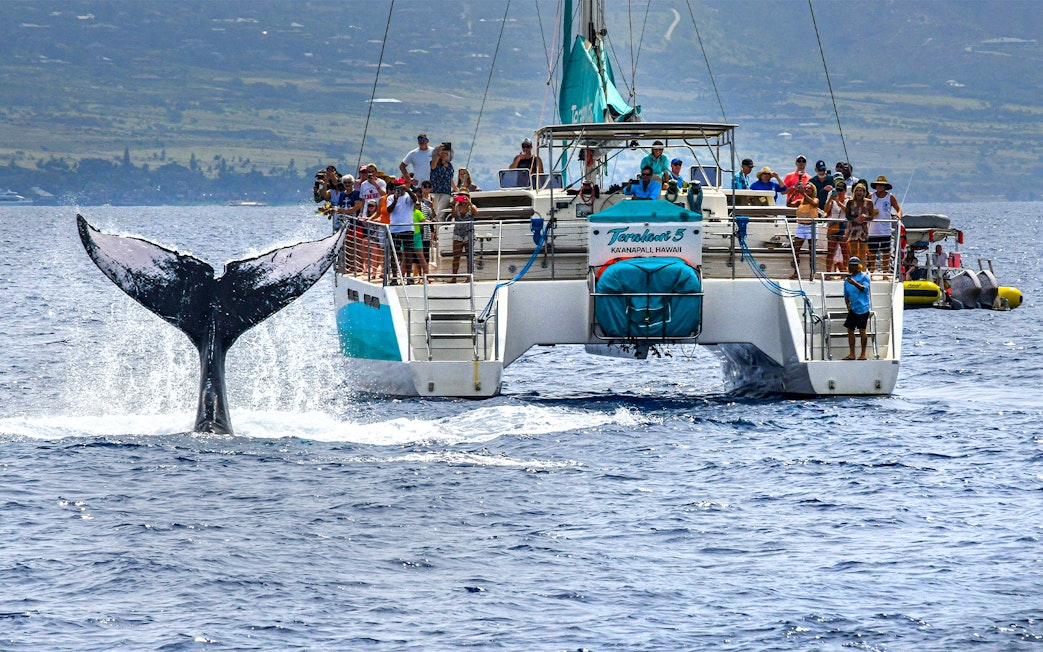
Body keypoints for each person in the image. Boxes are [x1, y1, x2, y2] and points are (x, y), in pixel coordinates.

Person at [385, 179, 418, 282]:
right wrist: (395, 199)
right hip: (394, 229)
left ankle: (408, 276)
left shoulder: (408, 197)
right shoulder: (390, 197)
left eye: (400, 186)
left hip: (407, 228)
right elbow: (389, 210)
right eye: (397, 186)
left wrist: (407, 190)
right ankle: (394, 277)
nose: (399, 188)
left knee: (408, 253)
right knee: (394, 254)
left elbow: (415, 200)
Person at [869, 175, 902, 274]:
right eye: (878, 185)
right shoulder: (871, 196)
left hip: (885, 229)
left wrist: (898, 215)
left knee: (886, 252)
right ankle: (871, 271)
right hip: (873, 229)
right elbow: (865, 208)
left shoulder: (890, 197)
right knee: (872, 252)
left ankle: (885, 272)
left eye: (881, 185)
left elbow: (899, 209)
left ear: (885, 187)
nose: (879, 187)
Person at [843, 256, 872, 360]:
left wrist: (854, 283)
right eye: (851, 265)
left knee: (862, 330)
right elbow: (846, 295)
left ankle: (863, 354)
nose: (853, 268)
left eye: (855, 265)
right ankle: (852, 354)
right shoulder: (847, 280)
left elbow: (865, 289)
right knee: (850, 329)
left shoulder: (864, 277)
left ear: (859, 266)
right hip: (853, 308)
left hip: (863, 307)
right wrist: (848, 306)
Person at [791, 183, 818, 279]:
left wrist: (803, 194)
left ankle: (812, 273)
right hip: (801, 226)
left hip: (811, 226)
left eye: (809, 189)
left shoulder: (815, 199)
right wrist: (794, 194)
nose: (806, 190)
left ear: (813, 191)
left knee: (812, 251)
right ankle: (795, 272)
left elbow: (814, 204)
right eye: (805, 188)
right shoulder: (800, 201)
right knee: (796, 250)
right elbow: (789, 204)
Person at [449, 190, 478, 280]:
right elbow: (453, 215)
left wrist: (469, 203)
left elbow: (476, 213)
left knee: (469, 256)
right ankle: (454, 277)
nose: (462, 197)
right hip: (458, 233)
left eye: (464, 195)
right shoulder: (456, 207)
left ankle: (469, 277)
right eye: (460, 195)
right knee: (456, 256)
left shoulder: (471, 206)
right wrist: (453, 204)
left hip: (468, 232)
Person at [823, 180, 849, 272]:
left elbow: (848, 211)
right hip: (833, 225)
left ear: (845, 191)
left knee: (845, 251)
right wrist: (830, 199)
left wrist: (838, 202)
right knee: (830, 251)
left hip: (843, 225)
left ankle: (845, 272)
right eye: (838, 190)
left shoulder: (848, 200)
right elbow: (826, 210)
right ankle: (828, 273)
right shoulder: (832, 201)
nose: (839, 192)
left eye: (841, 190)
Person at [845, 182, 873, 265]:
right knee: (853, 252)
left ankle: (863, 269)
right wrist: (854, 219)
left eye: (861, 191)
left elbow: (872, 216)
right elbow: (848, 215)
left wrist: (865, 217)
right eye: (857, 190)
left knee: (863, 252)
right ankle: (854, 269)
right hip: (853, 229)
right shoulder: (850, 202)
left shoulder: (869, 202)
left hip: (863, 229)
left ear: (864, 192)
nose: (859, 192)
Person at [429, 143, 455, 218]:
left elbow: (450, 178)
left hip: (446, 192)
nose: (444, 155)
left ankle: (439, 227)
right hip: (435, 192)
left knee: (441, 212)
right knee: (435, 211)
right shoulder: (435, 163)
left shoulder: (450, 166)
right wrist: (438, 153)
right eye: (442, 153)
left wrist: (456, 188)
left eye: (446, 153)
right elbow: (433, 166)